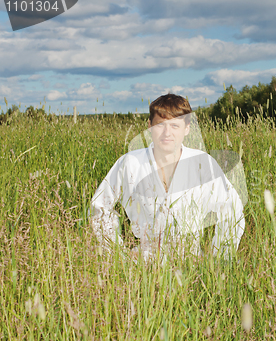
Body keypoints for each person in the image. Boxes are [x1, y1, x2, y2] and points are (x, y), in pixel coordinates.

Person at [90, 94, 246, 263]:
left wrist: (219, 257)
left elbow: (232, 210)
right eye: (160, 125)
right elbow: (100, 207)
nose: (167, 133)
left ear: (187, 128)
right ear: (149, 126)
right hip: (141, 263)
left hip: (192, 263)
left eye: (174, 125)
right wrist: (118, 255)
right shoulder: (130, 163)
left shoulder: (203, 163)